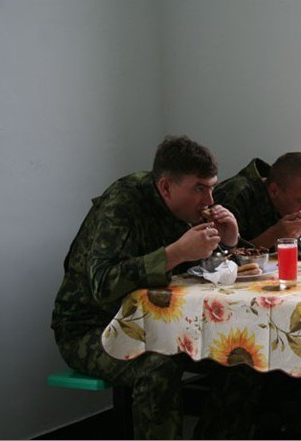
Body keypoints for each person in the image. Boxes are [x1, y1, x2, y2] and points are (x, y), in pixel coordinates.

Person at [51, 135, 259, 439]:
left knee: (245, 356)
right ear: (165, 187)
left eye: (212, 188)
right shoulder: (123, 203)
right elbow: (103, 284)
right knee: (158, 367)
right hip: (92, 328)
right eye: (199, 189)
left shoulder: (185, 211)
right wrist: (176, 253)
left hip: (159, 324)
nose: (210, 201)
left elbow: (211, 272)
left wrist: (230, 241)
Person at [212, 152, 301, 249]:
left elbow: (300, 249)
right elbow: (223, 260)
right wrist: (275, 235)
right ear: (274, 191)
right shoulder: (235, 196)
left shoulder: (289, 195)